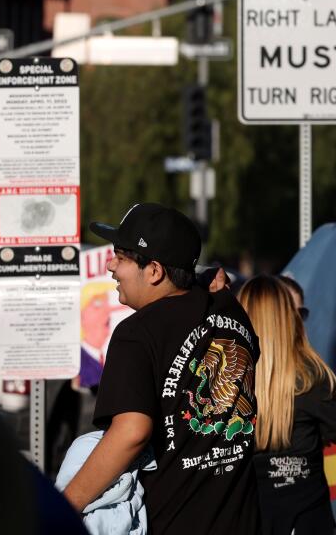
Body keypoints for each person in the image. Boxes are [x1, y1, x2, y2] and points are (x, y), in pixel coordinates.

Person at [63, 202, 261, 533]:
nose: (111, 266)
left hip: (171, 522)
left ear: (154, 271)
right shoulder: (232, 313)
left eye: (122, 258)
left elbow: (131, 431)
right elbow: (210, 286)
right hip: (243, 521)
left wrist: (67, 505)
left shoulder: (136, 334)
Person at [237, 276, 336, 535]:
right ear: (286, 317)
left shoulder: (227, 381)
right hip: (306, 518)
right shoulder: (311, 377)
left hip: (250, 516)